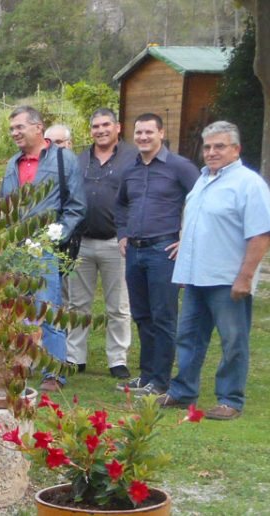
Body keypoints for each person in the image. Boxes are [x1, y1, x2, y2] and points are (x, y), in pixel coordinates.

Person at [156, 121, 270, 420]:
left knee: (233, 340)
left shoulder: (249, 183)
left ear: (236, 149)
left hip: (227, 280)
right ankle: (182, 391)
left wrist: (245, 278)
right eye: (207, 147)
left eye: (219, 146)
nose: (211, 152)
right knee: (189, 338)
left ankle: (230, 399)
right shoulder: (203, 180)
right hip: (196, 277)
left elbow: (260, 234)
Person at [0, 106, 86, 392]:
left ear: (38, 127)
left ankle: (53, 373)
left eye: (19, 127)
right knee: (18, 310)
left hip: (46, 249)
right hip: (15, 249)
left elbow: (76, 206)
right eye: (12, 129)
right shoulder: (13, 163)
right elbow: (4, 204)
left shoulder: (63, 160)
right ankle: (21, 367)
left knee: (47, 308)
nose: (14, 133)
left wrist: (55, 236)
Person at [114, 113, 199, 396]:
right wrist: (123, 234)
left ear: (161, 133)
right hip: (135, 252)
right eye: (138, 133)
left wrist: (186, 241)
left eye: (149, 132)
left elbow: (201, 203)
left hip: (164, 251)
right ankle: (146, 374)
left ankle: (161, 381)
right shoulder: (130, 170)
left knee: (163, 316)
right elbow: (121, 206)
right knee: (142, 314)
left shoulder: (179, 167)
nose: (143, 137)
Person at [63, 108, 137, 379]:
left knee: (117, 305)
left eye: (106, 125)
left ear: (118, 127)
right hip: (81, 241)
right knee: (77, 304)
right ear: (90, 130)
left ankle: (117, 359)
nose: (101, 130)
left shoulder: (132, 158)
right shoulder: (80, 159)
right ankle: (74, 357)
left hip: (115, 243)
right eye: (96, 126)